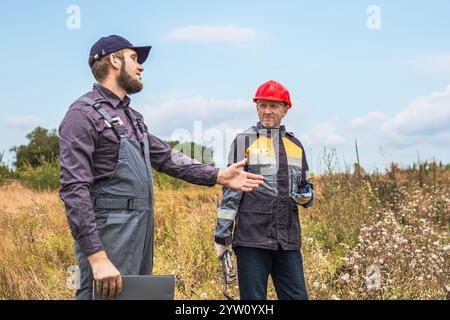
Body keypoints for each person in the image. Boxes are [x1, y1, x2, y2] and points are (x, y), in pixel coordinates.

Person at [59, 35, 264, 300]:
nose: (141, 66)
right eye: (134, 58)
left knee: (133, 297)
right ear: (113, 60)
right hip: (110, 234)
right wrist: (97, 257)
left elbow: (167, 158)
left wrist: (219, 175)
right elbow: (74, 190)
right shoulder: (82, 115)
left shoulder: (133, 118)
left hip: (140, 228)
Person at [214, 80, 315, 300]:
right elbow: (231, 193)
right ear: (257, 107)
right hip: (252, 240)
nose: (267, 111)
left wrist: (307, 196)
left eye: (274, 106)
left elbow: (306, 186)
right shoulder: (244, 141)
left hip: (287, 241)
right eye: (262, 105)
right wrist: (222, 235)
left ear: (285, 109)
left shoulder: (295, 145)